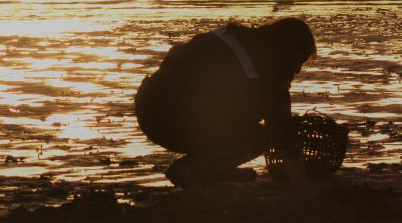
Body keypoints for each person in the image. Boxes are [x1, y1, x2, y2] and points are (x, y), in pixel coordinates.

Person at [134, 17, 315, 193]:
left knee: (236, 110)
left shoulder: (229, 36)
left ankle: (217, 170)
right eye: (297, 60)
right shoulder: (265, 79)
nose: (297, 69)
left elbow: (175, 56)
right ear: (283, 49)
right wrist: (305, 191)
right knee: (260, 138)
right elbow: (285, 140)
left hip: (146, 107)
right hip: (173, 125)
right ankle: (191, 168)